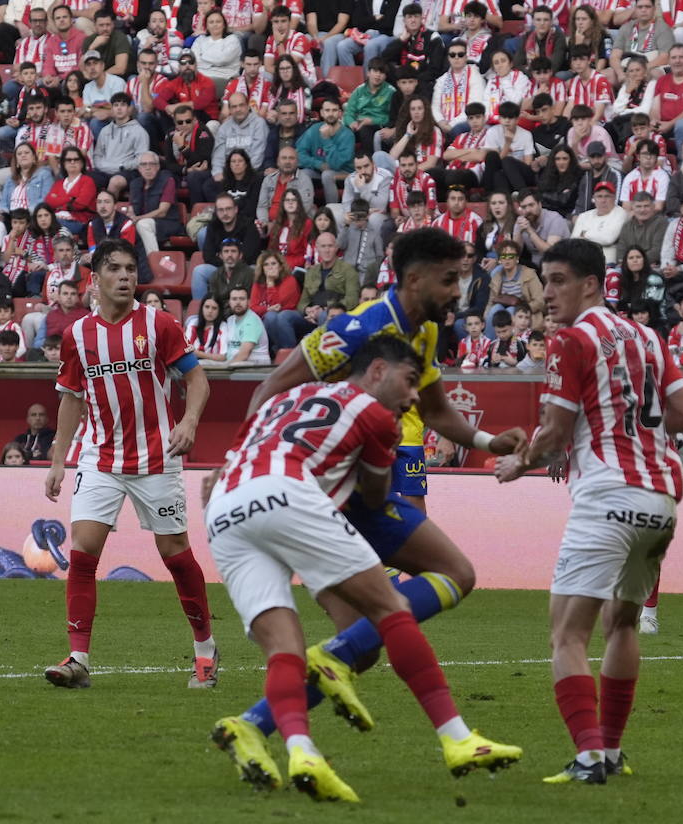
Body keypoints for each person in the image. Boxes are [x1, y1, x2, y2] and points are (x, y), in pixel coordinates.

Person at [208, 227, 529, 789]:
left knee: (362, 636)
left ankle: (257, 724)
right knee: (438, 583)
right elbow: (270, 388)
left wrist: (484, 443)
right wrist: (240, 453)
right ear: (414, 278)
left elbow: (436, 410)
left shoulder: (424, 334)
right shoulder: (358, 328)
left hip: (327, 474)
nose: (459, 290)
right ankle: (451, 735)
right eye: (449, 279)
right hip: (332, 482)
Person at [492, 237, 683, 783]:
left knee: (566, 635)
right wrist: (632, 425)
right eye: (546, 281)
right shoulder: (650, 336)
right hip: (661, 499)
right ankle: (610, 750)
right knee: (623, 623)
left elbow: (556, 430)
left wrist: (520, 463)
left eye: (558, 280)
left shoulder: (570, 341)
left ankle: (588, 757)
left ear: (590, 284)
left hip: (606, 496)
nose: (548, 293)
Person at [42, 238, 218, 690]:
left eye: (130, 269)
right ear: (96, 277)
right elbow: (69, 400)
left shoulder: (159, 324)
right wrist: (59, 459)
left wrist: (190, 421)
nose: (125, 276)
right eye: (115, 269)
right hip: (99, 456)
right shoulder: (77, 335)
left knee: (175, 556)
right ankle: (78, 658)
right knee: (82, 554)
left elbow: (197, 380)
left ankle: (205, 650)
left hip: (157, 457)